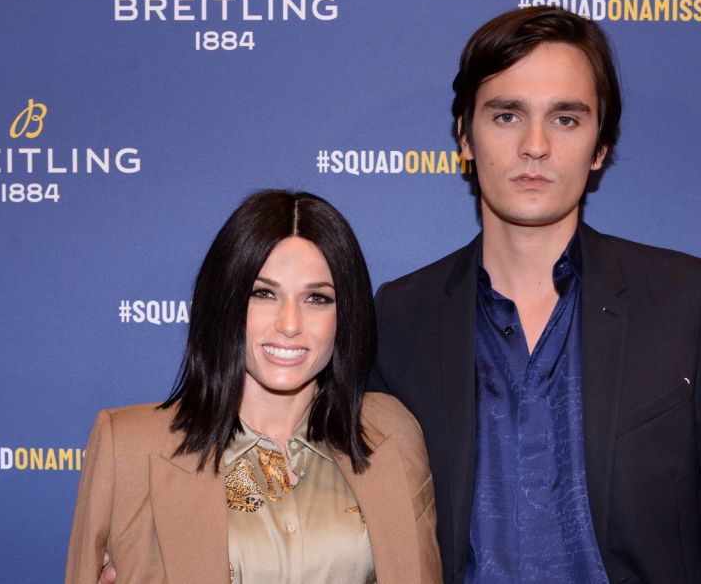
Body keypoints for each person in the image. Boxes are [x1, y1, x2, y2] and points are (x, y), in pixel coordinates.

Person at [369, 7, 701, 582]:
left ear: (600, 146)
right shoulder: (401, 315)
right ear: (464, 136)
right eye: (506, 115)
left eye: (566, 119)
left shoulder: (688, 301)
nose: (535, 145)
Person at [67, 190, 441, 583]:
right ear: (225, 302)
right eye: (264, 294)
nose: (290, 323)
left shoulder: (393, 431)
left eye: (317, 298)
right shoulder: (128, 448)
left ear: (345, 314)